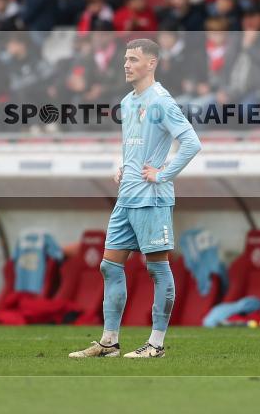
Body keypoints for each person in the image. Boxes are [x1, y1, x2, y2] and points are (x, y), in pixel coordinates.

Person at [69, 38, 201, 359]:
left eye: (133, 59)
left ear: (151, 63)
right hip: (126, 196)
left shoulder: (162, 102)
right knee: (109, 267)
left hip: (151, 199)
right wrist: (124, 167)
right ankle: (109, 343)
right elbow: (135, 144)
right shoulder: (128, 102)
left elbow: (191, 142)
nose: (126, 64)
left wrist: (163, 173)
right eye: (125, 58)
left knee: (157, 269)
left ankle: (155, 344)